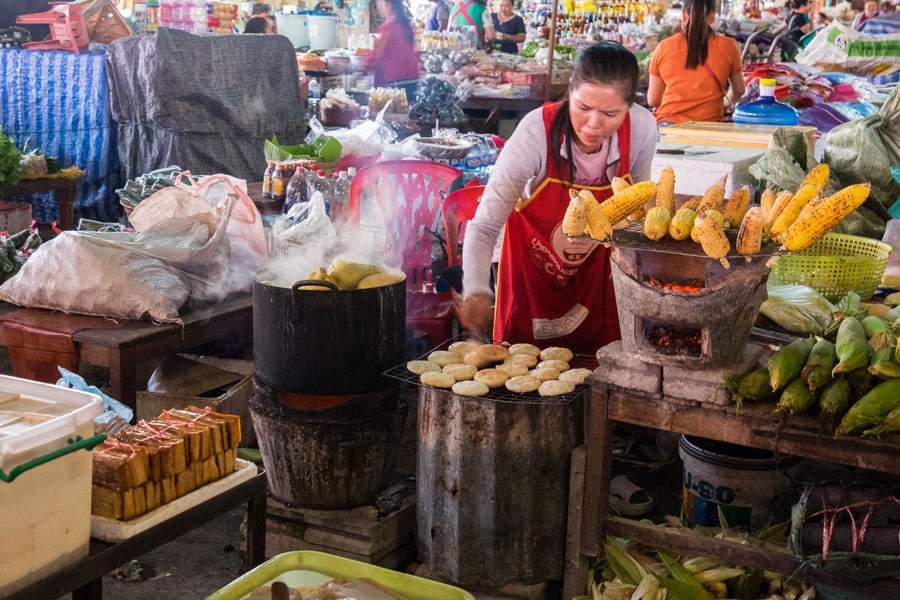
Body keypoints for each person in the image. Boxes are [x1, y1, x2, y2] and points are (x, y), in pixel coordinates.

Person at [457, 42, 658, 354]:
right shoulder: (535, 134)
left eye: (610, 113)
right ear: (570, 91)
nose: (593, 124)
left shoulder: (642, 129)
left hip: (598, 280)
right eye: (583, 107)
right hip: (532, 279)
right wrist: (477, 291)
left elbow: (640, 211)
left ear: (629, 107)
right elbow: (483, 228)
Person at [647, 0, 745, 125]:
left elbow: (653, 100)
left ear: (684, 15)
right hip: (709, 127)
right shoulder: (729, 46)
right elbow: (739, 90)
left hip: (669, 128)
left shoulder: (664, 47)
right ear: (712, 16)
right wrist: (726, 102)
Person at [363, 0, 421, 94]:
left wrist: (360, 68)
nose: (378, 6)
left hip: (394, 84)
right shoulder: (405, 25)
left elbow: (376, 56)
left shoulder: (388, 28)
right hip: (411, 80)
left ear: (388, 4)